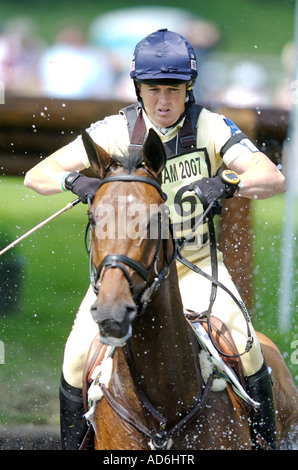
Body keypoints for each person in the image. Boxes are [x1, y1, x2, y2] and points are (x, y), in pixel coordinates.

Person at [24, 29, 286, 450]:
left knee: (246, 347)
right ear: (137, 89)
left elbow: (271, 177)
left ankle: (266, 444)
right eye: (153, 90)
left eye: (173, 90)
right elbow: (36, 176)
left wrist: (226, 182)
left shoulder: (212, 127)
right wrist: (77, 181)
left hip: (193, 266)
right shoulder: (114, 131)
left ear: (189, 90)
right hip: (128, 272)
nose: (163, 101)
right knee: (75, 361)